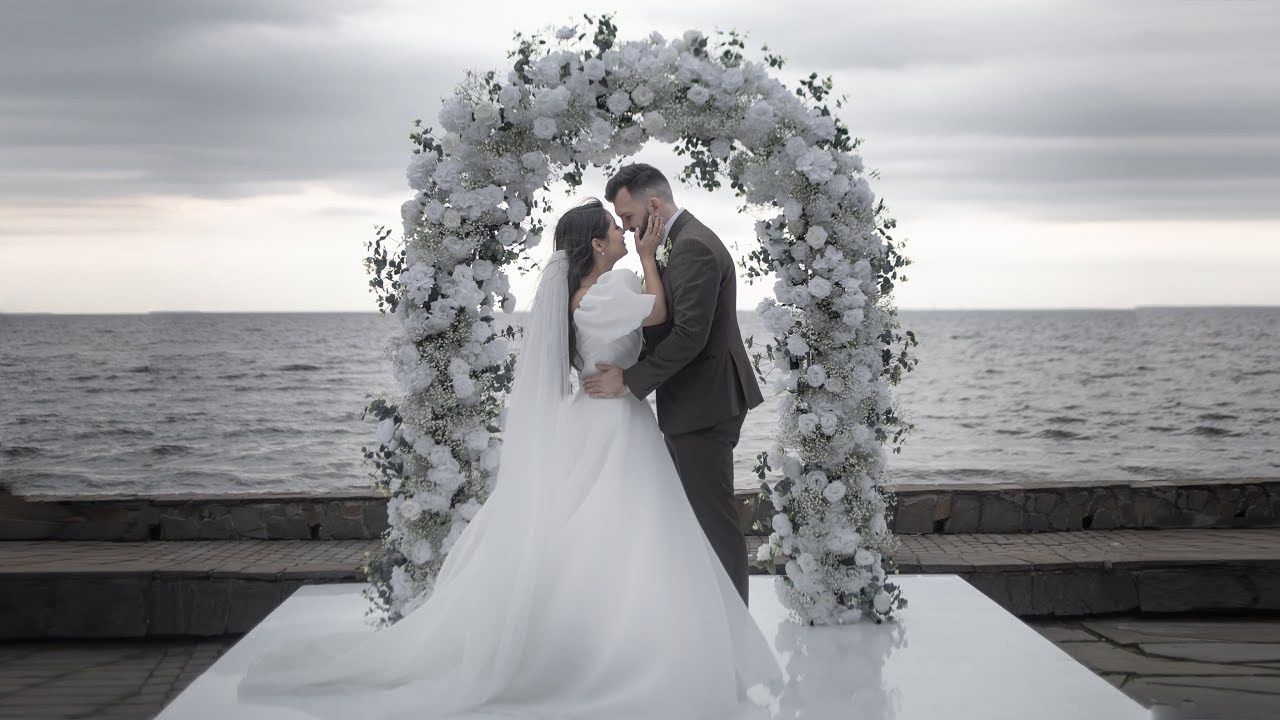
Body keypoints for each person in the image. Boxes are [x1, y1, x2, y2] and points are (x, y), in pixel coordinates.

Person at [235, 199, 780, 719]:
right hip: (614, 421)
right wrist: (646, 256)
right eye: (614, 230)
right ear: (596, 244)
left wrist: (640, 262)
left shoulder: (582, 296)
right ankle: (619, 648)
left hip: (594, 416)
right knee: (625, 532)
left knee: (593, 534)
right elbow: (659, 312)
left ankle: (603, 635)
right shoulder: (604, 293)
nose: (623, 231)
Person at [585, 164, 764, 606]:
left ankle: (733, 625)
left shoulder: (692, 249)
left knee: (715, 521)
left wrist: (628, 381)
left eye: (627, 218)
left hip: (705, 405)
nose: (625, 228)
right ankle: (704, 614)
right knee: (693, 519)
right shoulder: (680, 242)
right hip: (695, 402)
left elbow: (689, 335)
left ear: (653, 205)